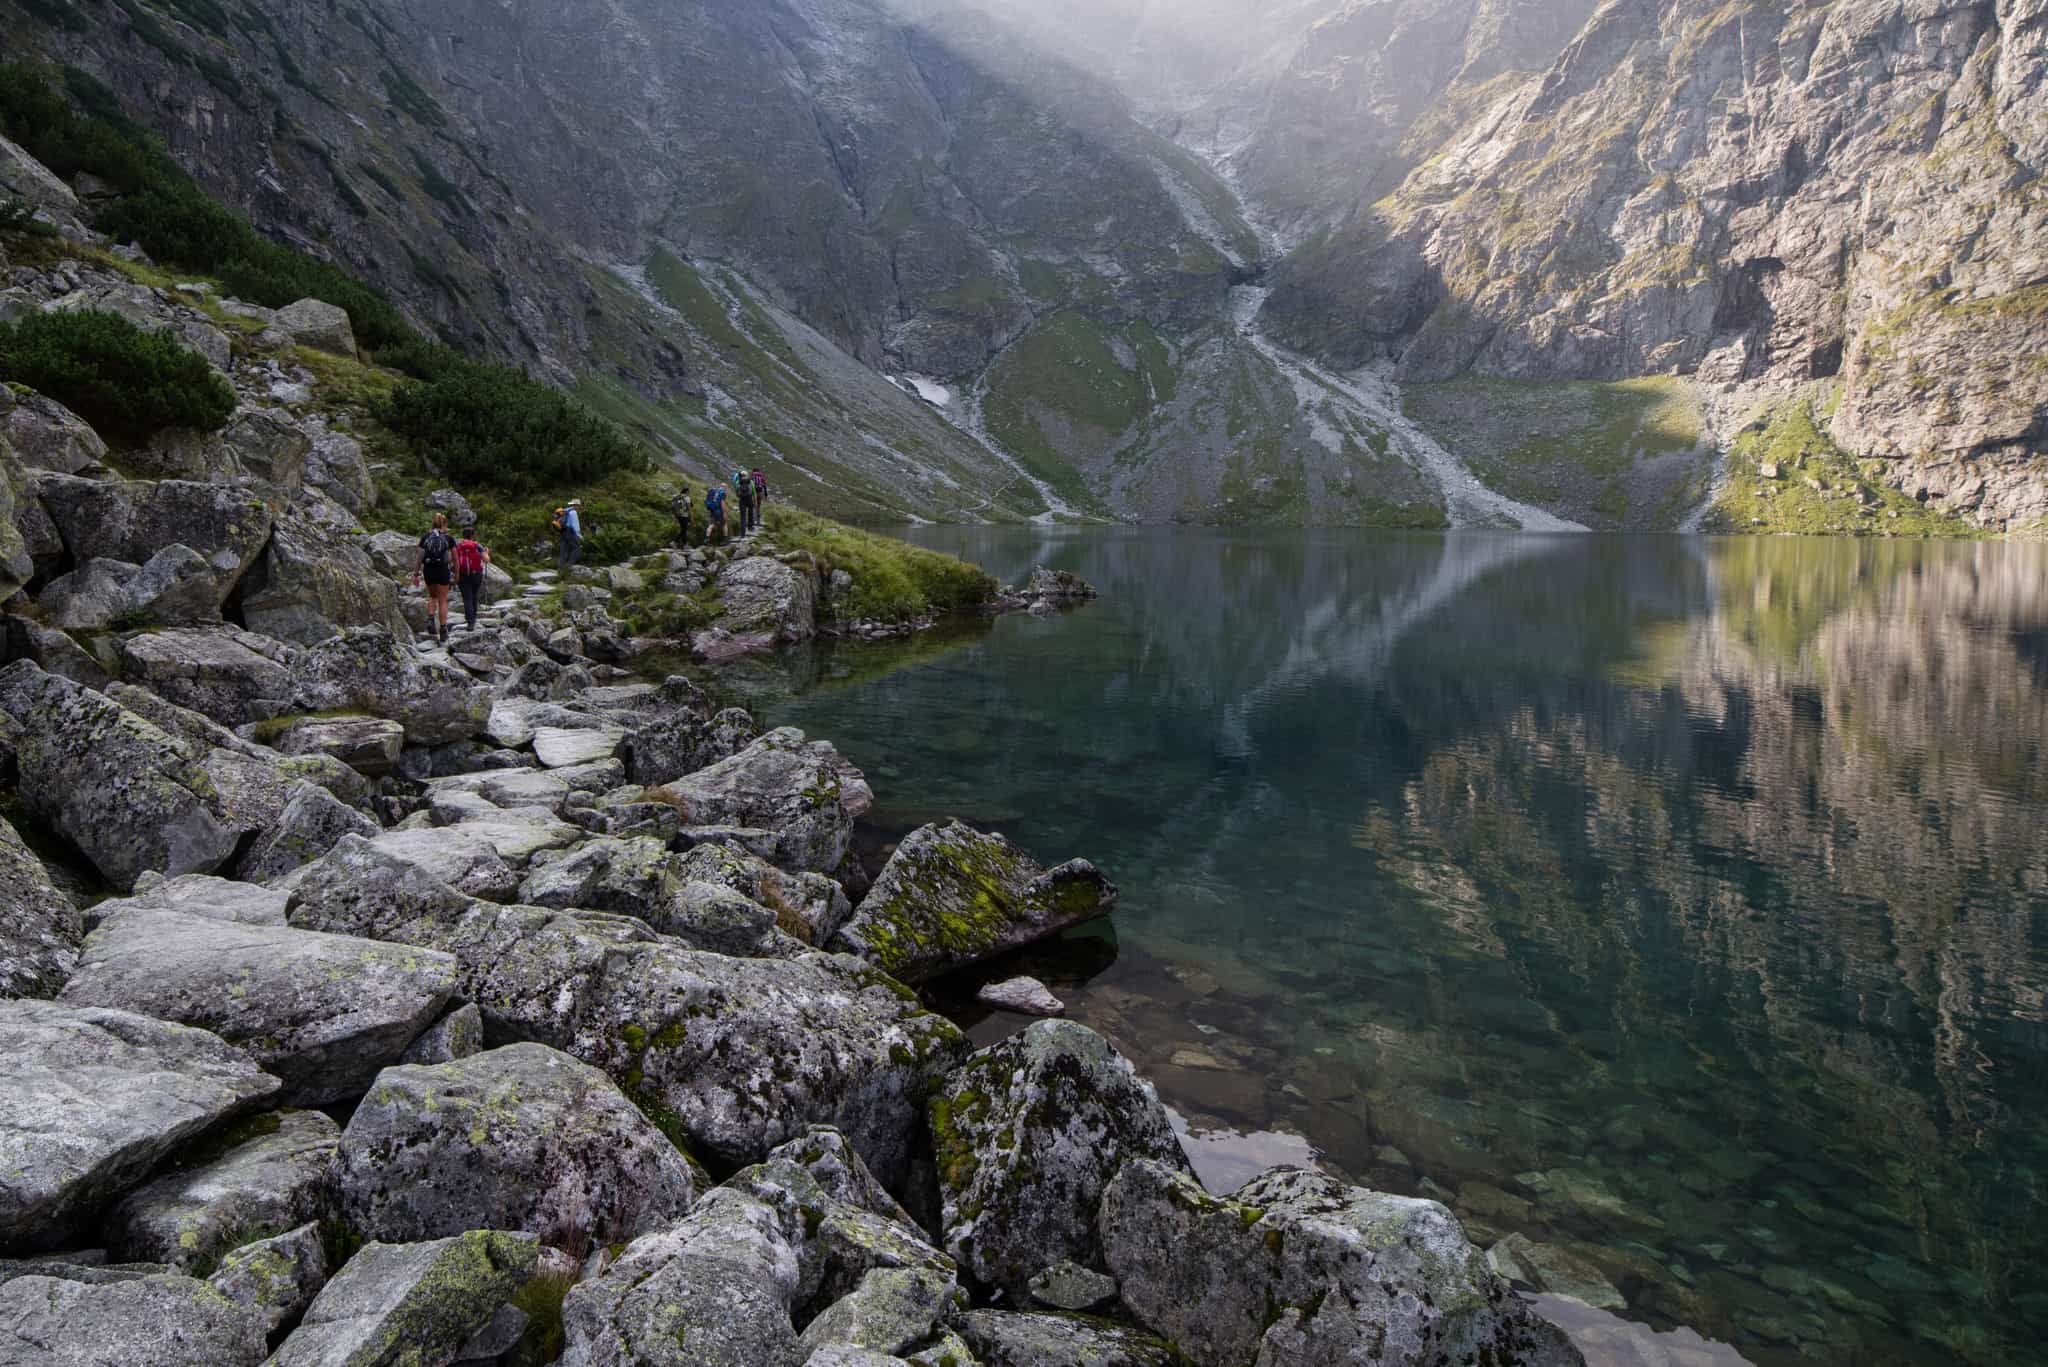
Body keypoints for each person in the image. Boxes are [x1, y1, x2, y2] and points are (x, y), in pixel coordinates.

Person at [413, 512, 456, 645]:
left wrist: (416, 574)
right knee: (443, 600)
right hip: (442, 570)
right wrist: (457, 573)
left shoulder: (426, 537)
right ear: (444, 525)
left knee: (432, 596)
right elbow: (456, 558)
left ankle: (431, 618)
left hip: (429, 570)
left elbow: (419, 557)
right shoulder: (448, 538)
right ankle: (443, 629)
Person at [453, 525, 490, 634]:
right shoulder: (477, 545)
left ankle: (470, 622)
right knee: (474, 595)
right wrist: (487, 552)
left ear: (463, 535)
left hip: (462, 574)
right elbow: (486, 560)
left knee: (467, 598)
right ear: (473, 535)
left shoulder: (458, 546)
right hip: (476, 574)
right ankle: (474, 617)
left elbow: (452, 559)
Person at [557, 498, 583, 569]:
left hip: (563, 531)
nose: (579, 507)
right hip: (569, 532)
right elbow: (575, 525)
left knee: (564, 549)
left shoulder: (565, 510)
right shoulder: (573, 512)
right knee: (576, 548)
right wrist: (579, 535)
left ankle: (560, 566)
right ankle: (569, 566)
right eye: (578, 506)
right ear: (576, 505)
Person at [734, 465, 757, 534]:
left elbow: (737, 493)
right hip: (749, 499)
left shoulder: (738, 482)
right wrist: (755, 501)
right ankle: (750, 527)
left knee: (742, 515)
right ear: (747, 475)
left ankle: (742, 531)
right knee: (750, 513)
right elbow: (754, 492)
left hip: (742, 500)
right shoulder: (751, 482)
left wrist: (740, 496)